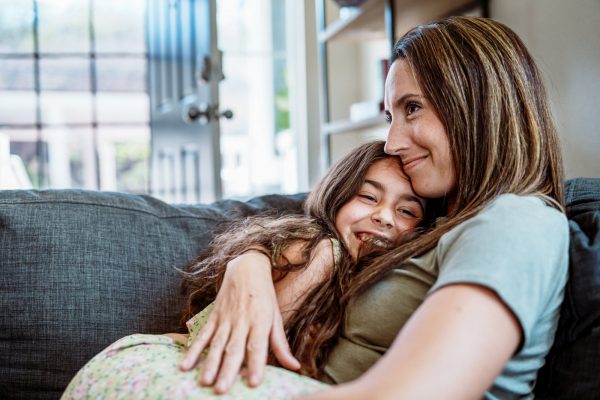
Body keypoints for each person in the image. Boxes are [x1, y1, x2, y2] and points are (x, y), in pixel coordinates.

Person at [180, 16, 569, 399]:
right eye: (390, 116)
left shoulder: (514, 222)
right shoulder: (441, 221)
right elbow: (323, 218)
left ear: (478, 106)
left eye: (412, 108)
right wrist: (249, 262)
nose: (392, 142)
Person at [60, 140, 431, 399]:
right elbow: (265, 356)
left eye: (407, 211)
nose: (383, 217)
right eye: (368, 196)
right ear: (336, 194)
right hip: (155, 368)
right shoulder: (323, 250)